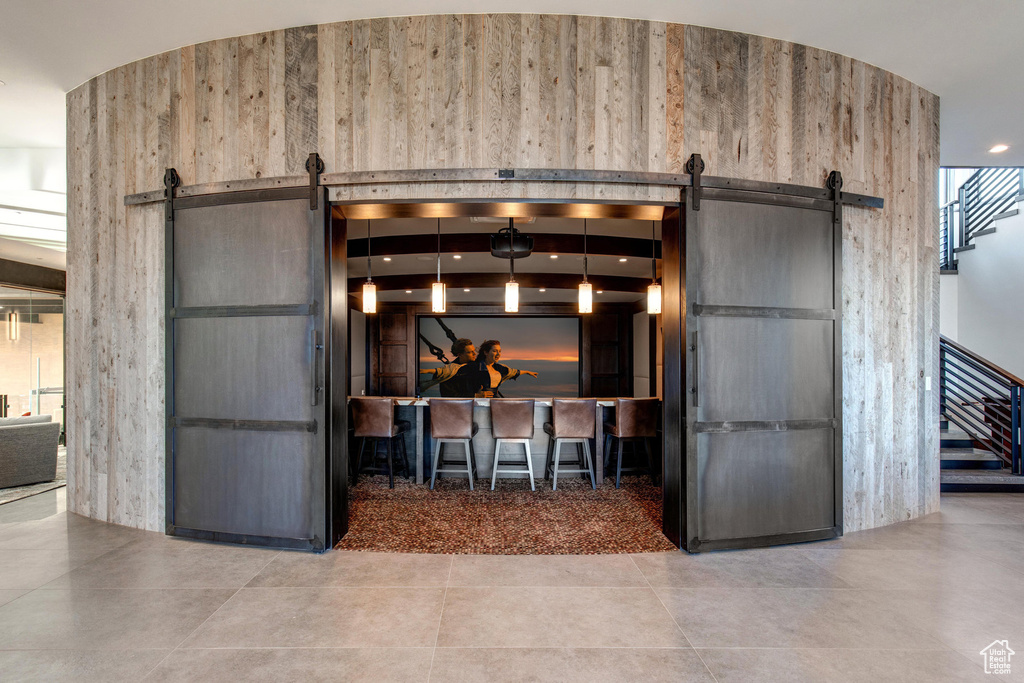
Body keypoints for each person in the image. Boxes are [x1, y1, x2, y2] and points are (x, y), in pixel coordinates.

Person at [459, 339, 538, 398]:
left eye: (499, 351)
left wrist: (527, 372)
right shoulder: (474, 367)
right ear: (486, 352)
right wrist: (476, 395)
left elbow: (513, 372)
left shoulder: (499, 368)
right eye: (494, 351)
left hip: (495, 400)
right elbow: (461, 387)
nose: (498, 354)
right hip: (478, 403)